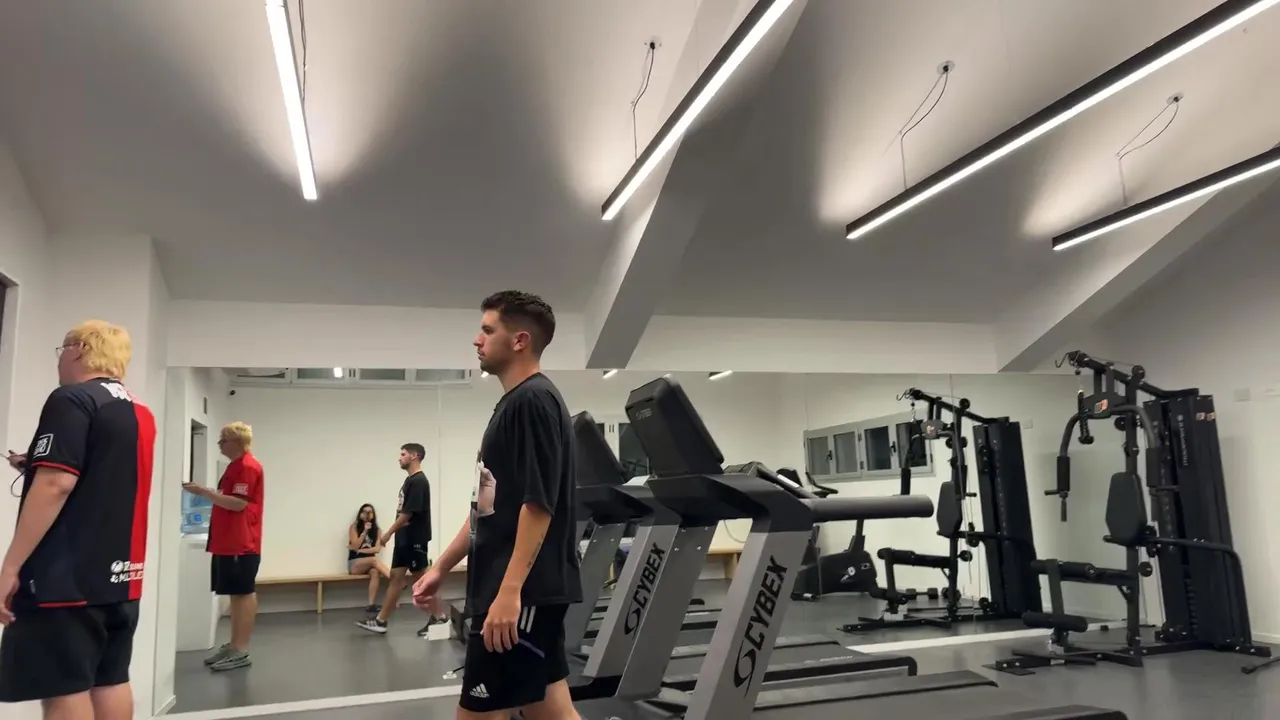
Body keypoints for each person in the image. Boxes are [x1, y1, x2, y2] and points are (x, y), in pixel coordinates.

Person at [412, 290, 582, 719]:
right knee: (551, 710)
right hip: (516, 592)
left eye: (487, 330)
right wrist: (441, 567)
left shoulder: (533, 401)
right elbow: (484, 510)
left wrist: (510, 593)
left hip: (519, 596)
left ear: (520, 340)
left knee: (478, 714)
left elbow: (538, 505)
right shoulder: (513, 404)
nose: (477, 339)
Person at [0, 320, 157, 720]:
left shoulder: (71, 399)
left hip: (65, 578)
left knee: (63, 687)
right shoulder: (138, 410)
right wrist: (35, 464)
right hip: (122, 576)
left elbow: (56, 484)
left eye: (62, 350)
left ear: (79, 349)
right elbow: (102, 475)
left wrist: (11, 566)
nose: (59, 361)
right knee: (110, 678)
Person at [183, 421, 264, 672]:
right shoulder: (235, 466)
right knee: (235, 594)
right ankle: (234, 645)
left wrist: (204, 492)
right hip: (228, 542)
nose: (219, 444)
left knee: (243, 593)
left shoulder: (248, 467)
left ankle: (241, 649)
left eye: (223, 440)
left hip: (242, 544)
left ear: (238, 442)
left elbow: (238, 503)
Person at [356, 443, 445, 634]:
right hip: (404, 540)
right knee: (396, 579)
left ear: (414, 456)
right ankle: (381, 621)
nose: (399, 457)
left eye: (403, 454)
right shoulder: (409, 481)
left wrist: (388, 534)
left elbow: (408, 514)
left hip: (414, 539)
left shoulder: (419, 481)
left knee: (423, 580)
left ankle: (440, 618)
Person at [348, 503, 391, 613]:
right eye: (364, 511)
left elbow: (377, 549)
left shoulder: (377, 530)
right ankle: (395, 580)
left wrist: (360, 551)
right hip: (355, 564)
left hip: (370, 564)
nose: (367, 514)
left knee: (375, 572)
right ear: (360, 514)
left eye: (369, 512)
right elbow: (355, 545)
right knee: (374, 560)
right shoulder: (354, 528)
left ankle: (371, 604)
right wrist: (365, 531)